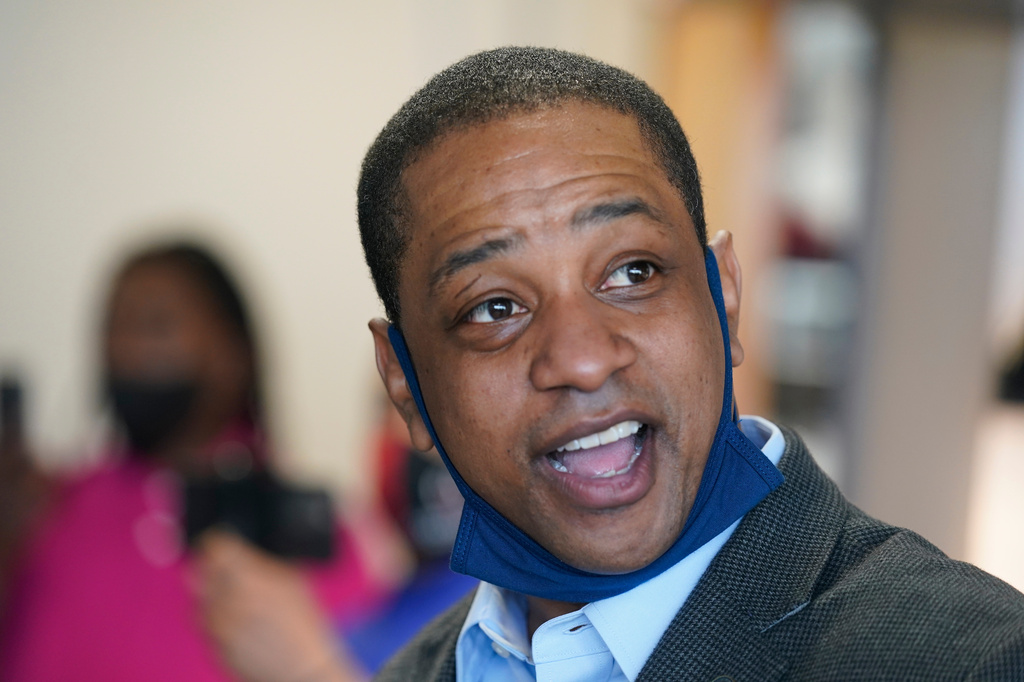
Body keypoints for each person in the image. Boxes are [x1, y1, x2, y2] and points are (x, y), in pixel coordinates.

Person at [355, 47, 1024, 680]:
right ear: (405, 386)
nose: (583, 361)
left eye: (633, 271)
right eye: (495, 309)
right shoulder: (410, 672)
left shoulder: (973, 662)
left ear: (724, 297)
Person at [0, 242, 385, 682]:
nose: (124, 349)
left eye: (155, 326)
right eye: (113, 327)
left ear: (231, 354)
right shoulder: (49, 509)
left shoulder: (305, 525)